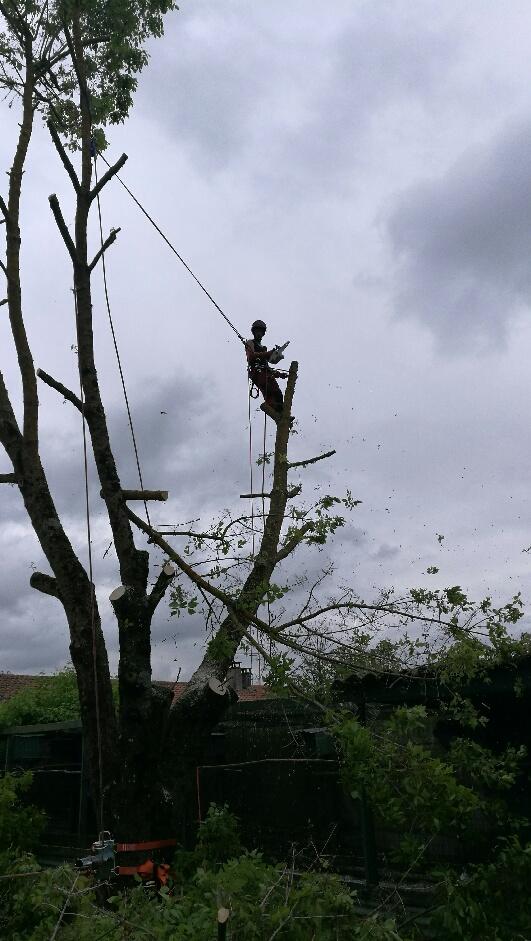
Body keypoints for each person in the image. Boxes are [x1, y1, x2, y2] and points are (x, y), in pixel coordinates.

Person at [245, 320, 286, 420]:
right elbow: (251, 356)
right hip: (257, 372)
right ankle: (273, 409)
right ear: (254, 332)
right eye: (257, 331)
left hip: (266, 372)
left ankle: (283, 415)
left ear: (263, 333)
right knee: (268, 390)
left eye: (261, 331)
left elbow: (267, 366)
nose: (259, 333)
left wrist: (279, 374)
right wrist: (268, 353)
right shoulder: (250, 342)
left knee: (278, 393)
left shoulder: (263, 348)